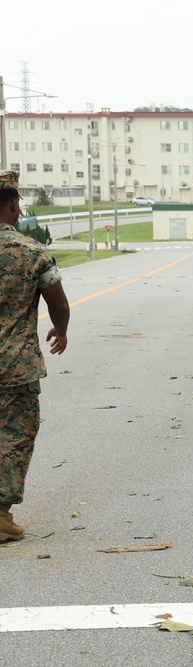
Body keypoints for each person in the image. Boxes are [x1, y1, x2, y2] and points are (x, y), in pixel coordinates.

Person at [0, 170, 70, 542]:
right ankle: (0, 515)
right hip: (15, 366)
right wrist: (61, 330)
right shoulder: (33, 252)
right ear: (13, 204)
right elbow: (57, 302)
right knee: (13, 436)